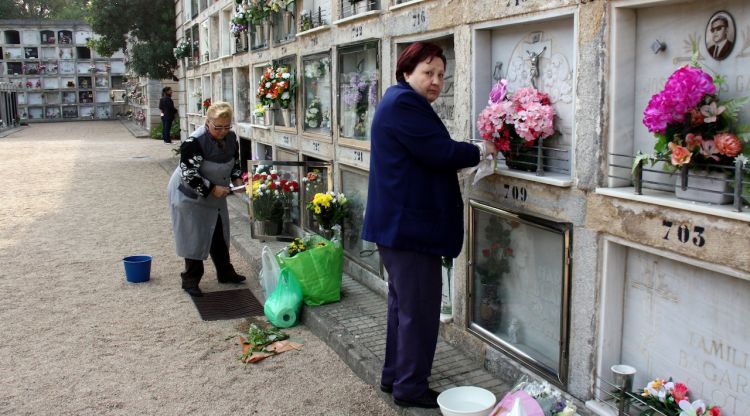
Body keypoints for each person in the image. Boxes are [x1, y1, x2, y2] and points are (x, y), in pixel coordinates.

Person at [362, 41, 496, 409]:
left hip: (400, 228)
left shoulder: (400, 101)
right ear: (407, 72)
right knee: (418, 313)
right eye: (428, 72)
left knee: (403, 309)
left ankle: (395, 377)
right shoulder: (404, 103)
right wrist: (483, 149)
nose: (437, 81)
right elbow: (439, 151)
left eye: (441, 74)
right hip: (410, 232)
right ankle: (411, 388)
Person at [167, 101, 246, 297]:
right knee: (194, 235)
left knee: (219, 231)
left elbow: (235, 161)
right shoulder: (194, 142)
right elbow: (188, 173)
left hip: (216, 193)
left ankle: (225, 272)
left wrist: (237, 178)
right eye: (217, 127)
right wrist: (211, 188)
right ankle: (190, 279)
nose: (222, 131)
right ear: (207, 121)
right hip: (190, 195)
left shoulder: (231, 137)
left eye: (227, 127)